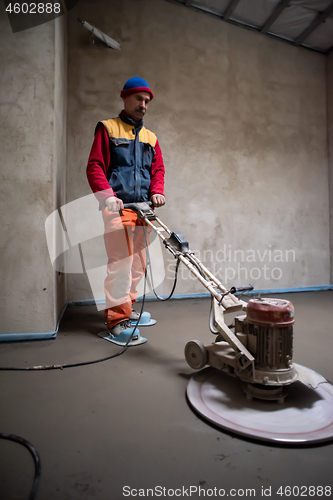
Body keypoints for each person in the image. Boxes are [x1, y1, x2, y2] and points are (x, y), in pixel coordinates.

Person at [86, 77, 165, 338]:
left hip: (144, 211)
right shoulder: (107, 128)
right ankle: (115, 322)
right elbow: (95, 166)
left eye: (147, 101)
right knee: (120, 264)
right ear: (125, 98)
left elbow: (157, 170)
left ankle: (128, 307)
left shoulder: (151, 138)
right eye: (138, 99)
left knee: (138, 265)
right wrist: (107, 195)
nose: (143, 104)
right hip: (118, 208)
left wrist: (157, 191)